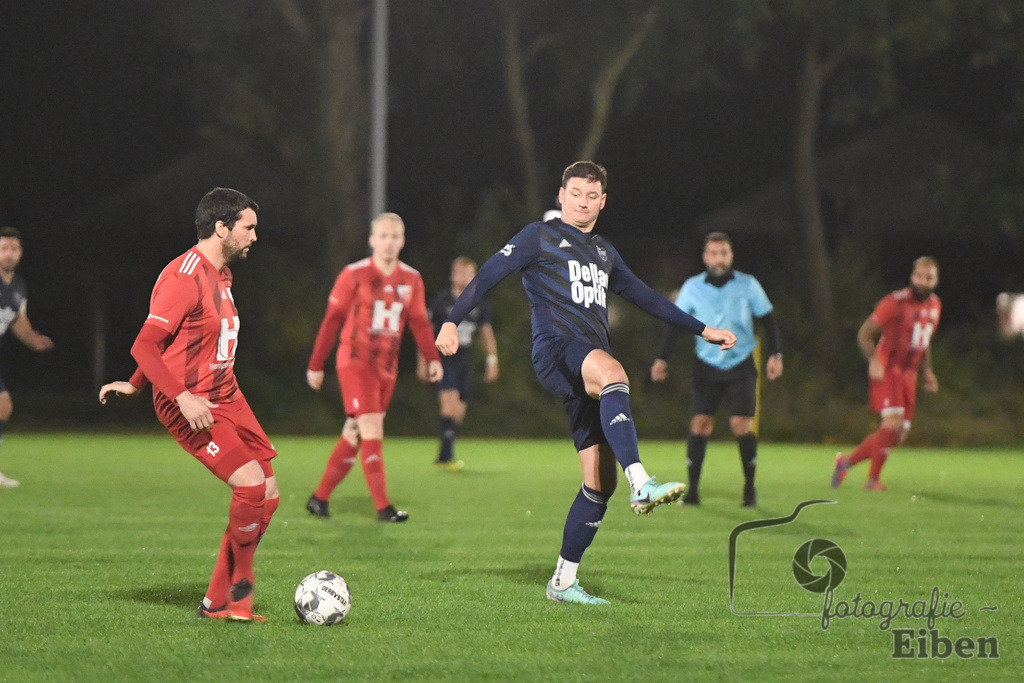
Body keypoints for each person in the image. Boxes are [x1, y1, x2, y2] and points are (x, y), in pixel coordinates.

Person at [435, 161, 736, 605]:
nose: (582, 201)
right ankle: (642, 482)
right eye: (575, 192)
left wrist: (703, 329)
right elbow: (487, 276)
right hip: (559, 349)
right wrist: (451, 320)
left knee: (598, 484)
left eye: (591, 195)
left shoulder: (604, 253)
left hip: (584, 365)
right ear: (562, 194)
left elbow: (646, 296)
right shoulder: (537, 236)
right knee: (615, 373)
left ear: (603, 201)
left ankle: (562, 582)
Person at [98, 188, 277, 622]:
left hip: (227, 394)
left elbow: (178, 341)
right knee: (251, 487)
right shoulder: (185, 276)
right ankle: (238, 599)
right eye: (248, 227)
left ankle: (217, 602)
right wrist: (175, 394)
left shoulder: (222, 275)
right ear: (221, 228)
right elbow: (145, 344)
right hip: (190, 403)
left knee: (267, 495)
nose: (256, 235)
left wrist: (136, 383)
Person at [305, 212, 443, 522]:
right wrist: (316, 364)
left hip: (387, 366)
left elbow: (420, 323)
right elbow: (331, 321)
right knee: (372, 428)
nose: (389, 242)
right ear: (372, 240)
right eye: (383, 236)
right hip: (356, 362)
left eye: (394, 237)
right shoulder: (353, 274)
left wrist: (432, 358)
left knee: (354, 432)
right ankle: (383, 508)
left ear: (402, 241)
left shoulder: (412, 279)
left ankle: (319, 498)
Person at [650, 232, 782, 507]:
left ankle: (749, 490)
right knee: (700, 424)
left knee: (740, 425)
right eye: (714, 253)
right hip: (706, 364)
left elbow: (768, 319)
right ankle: (693, 492)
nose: (719, 259)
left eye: (724, 253)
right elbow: (675, 323)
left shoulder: (748, 284)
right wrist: (662, 359)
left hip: (740, 362)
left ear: (731, 255)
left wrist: (775, 354)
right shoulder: (693, 286)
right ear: (705, 257)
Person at [831, 256, 941, 491]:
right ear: (912, 277)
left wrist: (928, 371)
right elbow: (864, 334)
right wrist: (873, 360)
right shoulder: (895, 301)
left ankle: (845, 463)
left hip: (910, 374)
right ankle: (872, 481)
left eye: (928, 277)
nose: (922, 281)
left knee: (897, 436)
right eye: (919, 276)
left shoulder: (935, 305)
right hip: (888, 369)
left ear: (935, 280)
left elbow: (924, 341)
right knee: (891, 424)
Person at [417, 256, 499, 471]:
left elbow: (486, 335)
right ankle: (445, 458)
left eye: (469, 272)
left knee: (459, 413)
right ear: (453, 275)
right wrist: (423, 361)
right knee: (449, 406)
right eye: (461, 272)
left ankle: (445, 453)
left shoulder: (478, 303)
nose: (465, 277)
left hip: (465, 362)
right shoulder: (441, 301)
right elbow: (425, 331)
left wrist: (492, 360)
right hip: (444, 360)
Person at [0, 227, 54, 488]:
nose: (9, 254)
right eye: (3, 248)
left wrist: (33, 339)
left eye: (13, 249)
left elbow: (17, 321)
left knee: (3, 405)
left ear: (20, 253)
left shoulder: (18, 285)